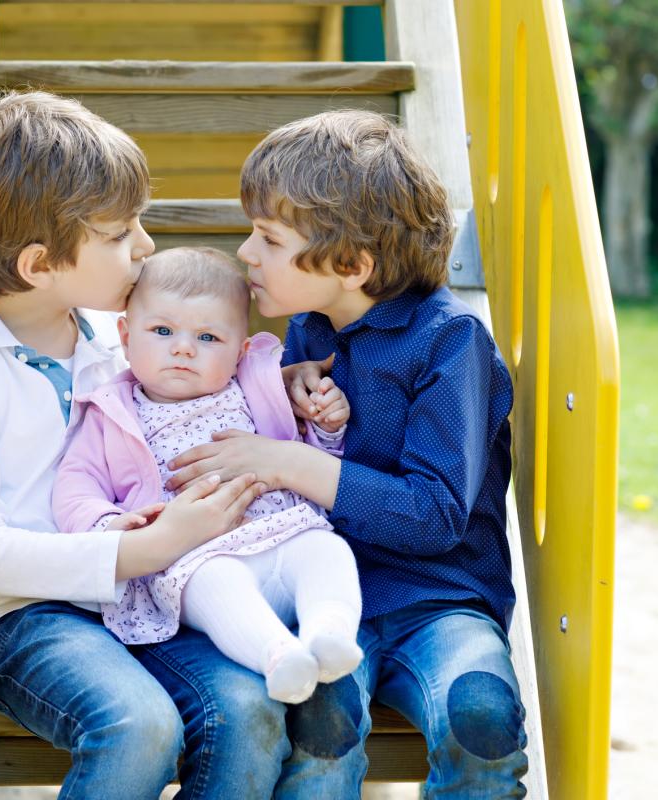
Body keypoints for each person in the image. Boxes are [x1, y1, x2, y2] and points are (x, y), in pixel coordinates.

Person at [0, 90, 297, 799]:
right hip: (23, 617)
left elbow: (210, 384)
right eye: (121, 235)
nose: (146, 247)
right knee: (139, 725)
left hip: (152, 598)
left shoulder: (114, 336)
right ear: (38, 265)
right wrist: (142, 549)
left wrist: (291, 385)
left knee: (249, 710)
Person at [166, 109, 530, 798]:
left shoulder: (451, 345)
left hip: (440, 601)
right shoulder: (307, 331)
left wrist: (284, 458)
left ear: (352, 265)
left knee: (479, 717)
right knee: (318, 727)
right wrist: (276, 391)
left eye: (269, 239)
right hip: (328, 599)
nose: (246, 253)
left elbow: (434, 516)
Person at [54, 247, 363, 705]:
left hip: (286, 534)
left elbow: (303, 456)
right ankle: (278, 656)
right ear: (125, 335)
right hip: (198, 558)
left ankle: (328, 633)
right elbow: (76, 484)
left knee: (329, 550)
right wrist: (108, 526)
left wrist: (325, 426)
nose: (183, 348)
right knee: (215, 587)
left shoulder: (256, 387)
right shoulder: (111, 412)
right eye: (162, 331)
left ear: (239, 351)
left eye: (207, 338)